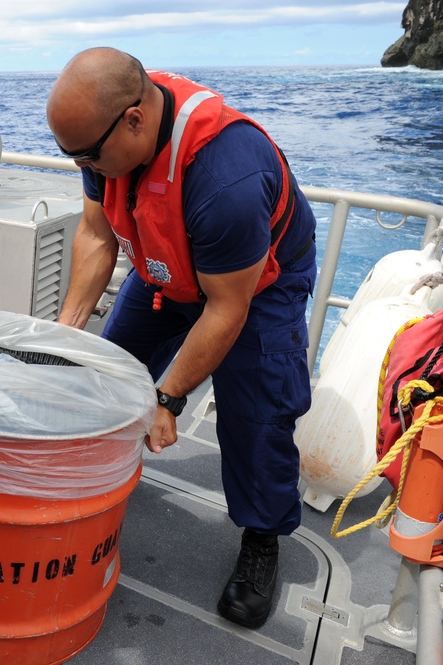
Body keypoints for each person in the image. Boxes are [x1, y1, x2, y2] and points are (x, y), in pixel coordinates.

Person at [47, 48, 316, 629]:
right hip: (165, 268)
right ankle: (98, 479)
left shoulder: (227, 179)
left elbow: (226, 307)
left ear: (136, 121)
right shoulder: (102, 137)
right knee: (105, 369)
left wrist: (169, 398)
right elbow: (96, 236)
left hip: (254, 284)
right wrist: (66, 337)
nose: (82, 169)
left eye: (88, 157)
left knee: (256, 412)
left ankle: (262, 537)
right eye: (71, 158)